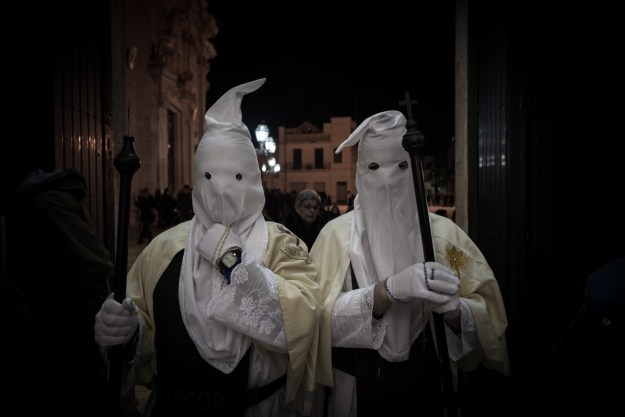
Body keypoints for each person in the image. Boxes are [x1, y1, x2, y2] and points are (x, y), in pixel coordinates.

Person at [94, 78, 329, 417]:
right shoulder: (163, 248)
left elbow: (302, 324)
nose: (219, 189)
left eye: (235, 177)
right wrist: (127, 332)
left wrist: (234, 263)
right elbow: (145, 326)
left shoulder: (282, 243)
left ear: (252, 178)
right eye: (208, 176)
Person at [310, 110, 510, 417]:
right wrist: (384, 292)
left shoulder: (444, 236)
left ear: (414, 168)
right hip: (353, 391)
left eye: (401, 166)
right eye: (374, 167)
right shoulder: (335, 238)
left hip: (429, 382)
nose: (388, 179)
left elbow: (489, 317)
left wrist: (457, 313)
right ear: (360, 172)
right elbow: (312, 322)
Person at [3, 161, 114, 416]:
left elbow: (96, 263)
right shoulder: (44, 200)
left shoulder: (48, 202)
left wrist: (49, 304)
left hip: (74, 320)